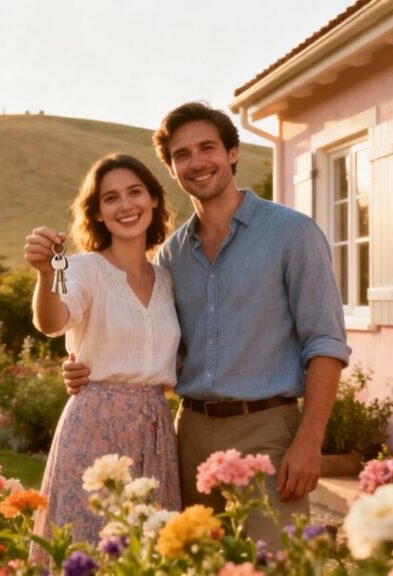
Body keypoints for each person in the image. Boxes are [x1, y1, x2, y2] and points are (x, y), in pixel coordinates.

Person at [63, 102, 350, 545]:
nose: (196, 162)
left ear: (232, 153)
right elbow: (149, 337)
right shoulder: (171, 257)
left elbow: (326, 342)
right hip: (187, 435)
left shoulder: (292, 234)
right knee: (193, 561)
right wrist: (85, 364)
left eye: (207, 148)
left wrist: (309, 442)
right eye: (182, 154)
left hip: (268, 431)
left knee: (272, 562)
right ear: (171, 170)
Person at [24, 153, 182, 549]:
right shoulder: (83, 269)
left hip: (156, 428)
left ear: (154, 200)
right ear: (96, 213)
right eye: (111, 198)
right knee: (89, 544)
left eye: (135, 192)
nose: (126, 205)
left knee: (149, 549)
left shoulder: (168, 278)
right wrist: (46, 274)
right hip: (95, 424)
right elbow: (53, 320)